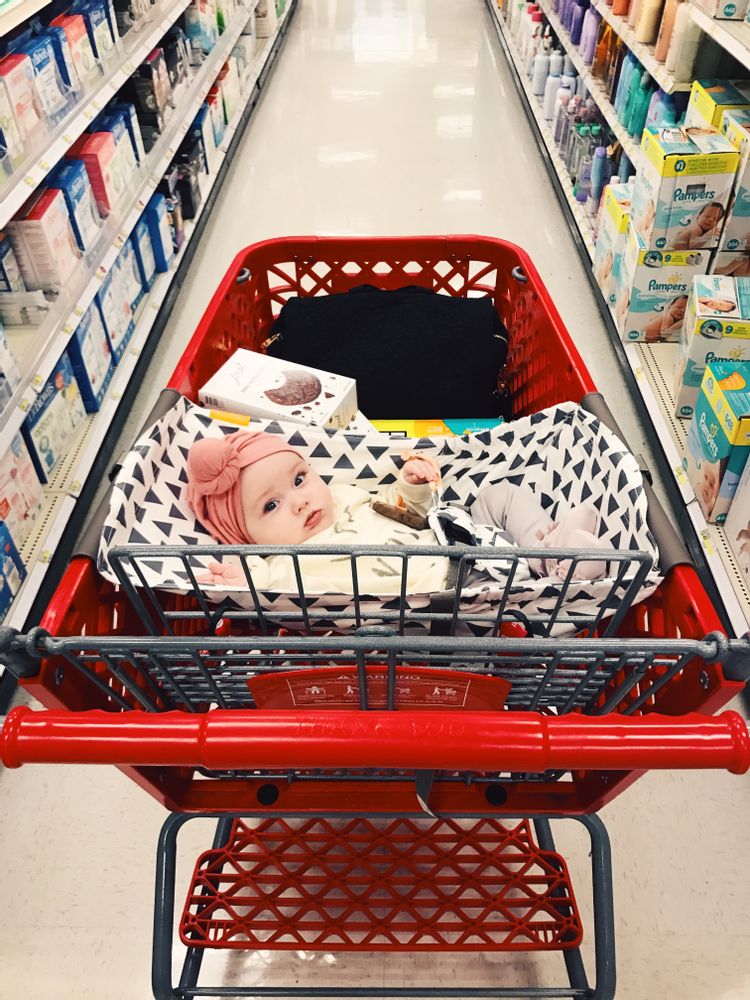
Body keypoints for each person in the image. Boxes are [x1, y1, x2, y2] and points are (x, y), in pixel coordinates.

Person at [185, 430, 611, 594]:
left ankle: (546, 544)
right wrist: (248, 577)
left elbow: (403, 510)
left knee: (499, 494)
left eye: (299, 479)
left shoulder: (344, 495)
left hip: (451, 532)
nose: (299, 500)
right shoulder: (288, 563)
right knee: (496, 589)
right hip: (447, 581)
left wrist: (411, 483)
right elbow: (280, 587)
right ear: (247, 537)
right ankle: (554, 572)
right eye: (271, 506)